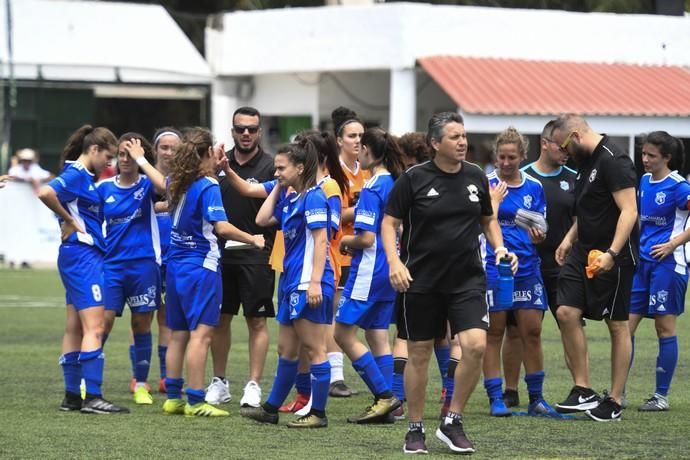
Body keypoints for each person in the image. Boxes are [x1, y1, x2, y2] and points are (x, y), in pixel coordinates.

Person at [382, 112, 517, 454]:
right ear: (435, 143)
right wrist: (395, 262)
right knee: (419, 355)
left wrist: (500, 248)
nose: (462, 142)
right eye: (454, 137)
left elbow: (488, 220)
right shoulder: (413, 179)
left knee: (474, 345)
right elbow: (388, 223)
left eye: (463, 136)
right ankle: (414, 429)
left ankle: (452, 420)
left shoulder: (475, 177)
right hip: (420, 281)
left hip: (467, 280)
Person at [161, 127, 264, 417]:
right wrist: (252, 238)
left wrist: (215, 168)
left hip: (175, 267)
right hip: (201, 266)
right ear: (207, 153)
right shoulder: (207, 185)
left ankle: (173, 397)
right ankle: (195, 400)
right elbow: (221, 227)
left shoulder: (176, 181)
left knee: (178, 334)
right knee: (202, 335)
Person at [240, 141, 335, 428]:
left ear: (301, 167)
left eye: (281, 168)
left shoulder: (314, 198)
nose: (276, 172)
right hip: (291, 282)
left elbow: (321, 240)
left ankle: (318, 413)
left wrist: (315, 282)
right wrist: (280, 186)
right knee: (286, 349)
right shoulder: (292, 198)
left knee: (315, 348)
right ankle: (270, 409)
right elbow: (261, 218)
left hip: (308, 282)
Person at [551, 114, 639, 422]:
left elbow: (629, 211)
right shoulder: (584, 163)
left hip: (613, 254)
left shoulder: (615, 159)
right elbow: (587, 210)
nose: (562, 155)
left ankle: (614, 399)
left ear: (574, 137)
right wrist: (567, 239)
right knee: (565, 312)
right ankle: (584, 389)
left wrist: (613, 253)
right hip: (582, 251)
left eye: (563, 147)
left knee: (617, 325)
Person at [37, 125, 128, 414]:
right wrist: (68, 220)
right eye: (108, 157)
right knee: (95, 326)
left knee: (75, 327)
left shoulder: (85, 176)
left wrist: (67, 218)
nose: (110, 163)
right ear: (94, 150)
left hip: (78, 256)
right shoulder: (77, 173)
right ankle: (94, 397)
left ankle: (72, 396)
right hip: (82, 255)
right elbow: (45, 192)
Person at [482, 127, 558, 418]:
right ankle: (495, 397)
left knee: (533, 332)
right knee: (494, 333)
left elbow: (541, 225)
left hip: (527, 268)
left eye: (512, 157)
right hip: (495, 267)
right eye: (501, 157)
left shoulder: (534, 187)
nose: (505, 162)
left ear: (522, 157)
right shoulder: (486, 184)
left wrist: (539, 235)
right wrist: (495, 203)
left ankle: (536, 397)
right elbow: (481, 222)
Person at [501, 121, 578, 407]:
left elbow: (576, 220)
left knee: (568, 325)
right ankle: (509, 391)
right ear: (545, 143)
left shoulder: (572, 178)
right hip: (516, 266)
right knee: (512, 330)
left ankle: (579, 388)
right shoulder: (510, 180)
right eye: (561, 143)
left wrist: (566, 242)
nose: (566, 149)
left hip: (560, 266)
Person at [206, 107, 276, 408]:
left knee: (256, 320)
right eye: (240, 128)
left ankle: (253, 385)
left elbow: (277, 210)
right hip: (220, 255)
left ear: (259, 131)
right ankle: (220, 382)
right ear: (232, 131)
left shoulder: (273, 166)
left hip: (258, 254)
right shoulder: (217, 164)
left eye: (251, 128)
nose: (245, 133)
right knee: (220, 320)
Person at [334, 127, 404, 423]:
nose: (357, 151)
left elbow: (366, 238)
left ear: (368, 152)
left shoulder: (374, 186)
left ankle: (384, 396)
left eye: (361, 146)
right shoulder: (396, 183)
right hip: (389, 269)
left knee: (341, 332)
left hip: (368, 271)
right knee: (378, 336)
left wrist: (344, 242)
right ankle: (394, 404)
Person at [390, 132, 457, 420]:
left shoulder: (410, 181)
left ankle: (398, 398)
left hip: (415, 268)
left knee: (406, 336)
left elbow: (399, 225)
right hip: (447, 268)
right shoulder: (445, 180)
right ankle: (448, 392)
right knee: (442, 335)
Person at [98, 133, 166, 406]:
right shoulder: (103, 189)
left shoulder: (148, 185)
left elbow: (166, 186)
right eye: (122, 154)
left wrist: (142, 159)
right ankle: (87, 383)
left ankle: (140, 383)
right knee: (102, 324)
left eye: (131, 154)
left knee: (141, 324)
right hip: (111, 267)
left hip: (143, 266)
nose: (125, 160)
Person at [629, 131, 690, 412]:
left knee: (663, 328)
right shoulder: (643, 181)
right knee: (624, 326)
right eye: (643, 154)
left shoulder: (679, 186)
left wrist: (672, 243)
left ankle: (660, 396)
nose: (645, 160)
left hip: (669, 265)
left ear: (667, 157)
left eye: (651, 155)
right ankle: (619, 391)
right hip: (642, 264)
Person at [328, 106, 367, 397]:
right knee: (336, 314)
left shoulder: (369, 172)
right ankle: (335, 376)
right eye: (352, 136)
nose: (358, 141)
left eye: (361, 136)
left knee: (367, 318)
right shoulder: (332, 174)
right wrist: (361, 211)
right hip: (338, 251)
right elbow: (332, 215)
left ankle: (387, 379)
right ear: (339, 140)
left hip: (366, 254)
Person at [149, 127, 182, 394]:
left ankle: (164, 375)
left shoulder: (184, 178)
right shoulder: (142, 176)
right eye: (164, 147)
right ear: (155, 149)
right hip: (147, 254)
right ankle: (139, 376)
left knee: (167, 318)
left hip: (175, 254)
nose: (169, 152)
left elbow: (177, 201)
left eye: (174, 148)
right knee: (142, 316)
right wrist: (163, 206)